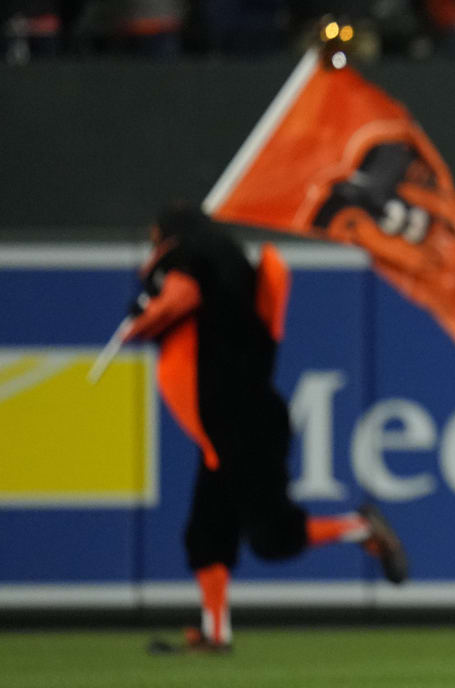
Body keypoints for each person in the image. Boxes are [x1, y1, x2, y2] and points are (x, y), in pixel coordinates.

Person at [127, 206, 408, 653]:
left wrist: (144, 314)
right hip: (228, 428)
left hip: (245, 423)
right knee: (207, 533)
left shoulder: (196, 264)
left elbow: (179, 295)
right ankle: (216, 634)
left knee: (273, 536)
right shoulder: (230, 284)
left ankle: (358, 527)